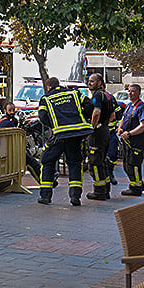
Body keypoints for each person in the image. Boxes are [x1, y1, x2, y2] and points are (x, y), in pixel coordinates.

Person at [37, 77, 93, 206]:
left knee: (47, 161)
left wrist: (53, 125)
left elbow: (42, 117)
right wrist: (83, 118)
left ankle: (45, 196)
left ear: (48, 87)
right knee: (74, 163)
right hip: (76, 134)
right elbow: (89, 105)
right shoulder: (74, 93)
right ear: (59, 84)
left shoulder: (46, 98)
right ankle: (75, 196)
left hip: (59, 135)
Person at [85, 74, 114, 201]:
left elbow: (96, 112)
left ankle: (99, 191)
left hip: (98, 132)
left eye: (92, 81)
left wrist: (92, 126)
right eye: (89, 81)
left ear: (99, 82)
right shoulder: (108, 95)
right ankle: (106, 189)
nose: (89, 83)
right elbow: (113, 115)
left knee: (95, 161)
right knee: (102, 161)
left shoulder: (97, 95)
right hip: (105, 130)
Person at [0, 102, 43, 183]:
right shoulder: (6, 123)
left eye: (13, 110)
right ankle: (43, 180)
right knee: (31, 161)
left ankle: (45, 178)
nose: (12, 112)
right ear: (5, 111)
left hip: (11, 150)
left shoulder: (6, 121)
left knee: (31, 160)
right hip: (9, 152)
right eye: (10, 110)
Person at [117, 84, 144, 196]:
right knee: (127, 165)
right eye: (129, 91)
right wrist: (120, 128)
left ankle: (135, 189)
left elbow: (143, 126)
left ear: (139, 93)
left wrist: (130, 133)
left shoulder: (142, 107)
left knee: (134, 165)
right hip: (127, 142)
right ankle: (139, 184)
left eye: (133, 91)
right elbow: (123, 118)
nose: (130, 93)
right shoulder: (129, 105)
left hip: (136, 141)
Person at [105, 85, 123, 186]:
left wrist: (119, 127)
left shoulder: (111, 98)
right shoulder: (93, 98)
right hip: (99, 133)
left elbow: (118, 114)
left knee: (112, 154)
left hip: (111, 132)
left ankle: (110, 173)